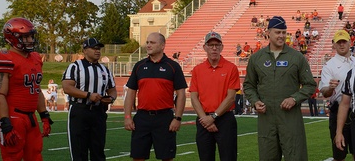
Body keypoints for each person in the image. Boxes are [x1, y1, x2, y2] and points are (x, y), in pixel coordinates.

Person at [243, 16, 317, 161]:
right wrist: (255, 101)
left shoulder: (297, 57)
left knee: (296, 156)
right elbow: (249, 85)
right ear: (269, 33)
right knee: (267, 157)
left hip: (290, 119)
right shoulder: (256, 58)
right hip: (267, 119)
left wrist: (294, 99)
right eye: (277, 32)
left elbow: (310, 85)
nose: (281, 36)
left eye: (284, 32)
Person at [0, 17, 53, 160]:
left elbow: (36, 89)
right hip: (13, 117)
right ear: (13, 38)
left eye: (31, 36)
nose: (30, 40)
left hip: (30, 116)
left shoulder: (35, 58)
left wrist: (44, 116)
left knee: (35, 154)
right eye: (25, 37)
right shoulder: (3, 58)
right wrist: (5, 123)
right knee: (13, 156)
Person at [124, 32, 188, 161]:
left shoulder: (173, 66)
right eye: (147, 42)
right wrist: (127, 116)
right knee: (138, 156)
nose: (148, 45)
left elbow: (181, 94)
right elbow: (131, 92)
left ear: (163, 45)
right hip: (142, 118)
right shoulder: (139, 66)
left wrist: (178, 118)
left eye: (152, 43)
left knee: (166, 157)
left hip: (164, 118)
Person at [62, 37, 117, 161]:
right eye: (94, 48)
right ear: (85, 50)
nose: (97, 51)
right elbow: (67, 87)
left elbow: (112, 89)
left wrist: (111, 98)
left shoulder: (104, 69)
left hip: (98, 112)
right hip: (80, 110)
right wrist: (87, 95)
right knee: (79, 151)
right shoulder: (75, 66)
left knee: (98, 150)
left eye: (99, 49)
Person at [189, 32, 240, 161]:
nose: (214, 48)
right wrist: (205, 119)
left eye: (217, 45)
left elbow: (230, 97)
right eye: (211, 45)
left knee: (228, 157)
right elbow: (194, 97)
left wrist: (213, 117)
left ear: (222, 47)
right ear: (205, 47)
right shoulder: (197, 70)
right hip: (203, 119)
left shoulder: (231, 68)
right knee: (205, 157)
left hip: (224, 119)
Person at [319, 30, 355, 161]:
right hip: (338, 110)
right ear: (334, 45)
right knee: (339, 153)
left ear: (350, 43)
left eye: (344, 42)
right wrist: (330, 88)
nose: (342, 45)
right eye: (339, 42)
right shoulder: (329, 65)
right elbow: (324, 91)